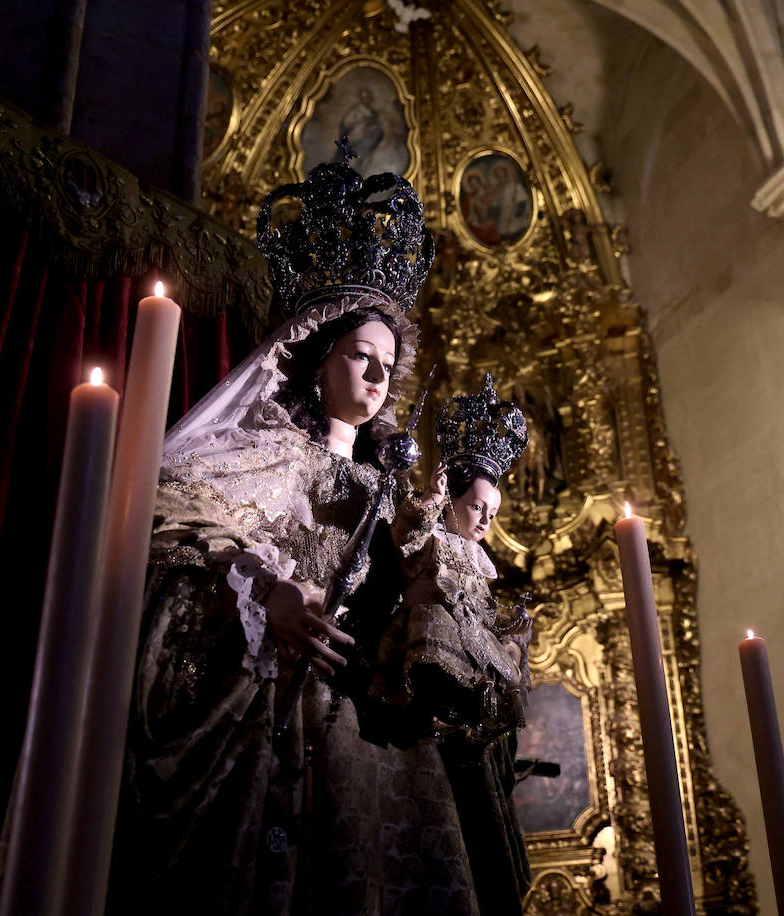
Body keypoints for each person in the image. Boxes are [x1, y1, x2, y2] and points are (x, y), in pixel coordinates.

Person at [108, 154, 478, 915]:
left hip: (361, 727)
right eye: (359, 356)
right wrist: (267, 592)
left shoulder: (392, 496)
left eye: (387, 365)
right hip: (268, 708)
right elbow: (172, 526)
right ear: (318, 357)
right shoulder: (264, 453)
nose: (376, 378)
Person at [367, 373, 535, 915]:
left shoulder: (482, 567)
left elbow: (483, 625)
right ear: (454, 495)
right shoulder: (433, 536)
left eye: (494, 511)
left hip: (472, 686)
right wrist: (427, 502)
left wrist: (511, 644)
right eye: (479, 506)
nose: (487, 519)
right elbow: (405, 540)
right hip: (424, 658)